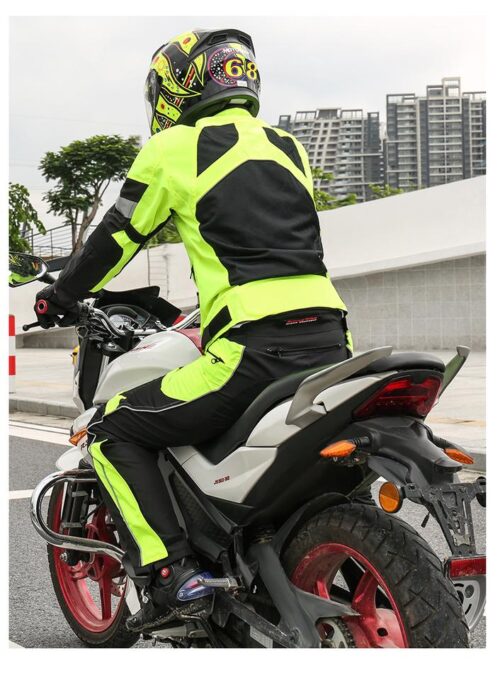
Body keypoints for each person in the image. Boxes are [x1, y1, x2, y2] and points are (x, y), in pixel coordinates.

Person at [34, 28, 353, 632]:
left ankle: (173, 573)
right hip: (332, 343)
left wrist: (60, 295)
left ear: (178, 86)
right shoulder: (289, 147)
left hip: (253, 350)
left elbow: (116, 238)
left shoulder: (174, 148)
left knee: (111, 430)